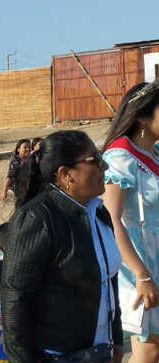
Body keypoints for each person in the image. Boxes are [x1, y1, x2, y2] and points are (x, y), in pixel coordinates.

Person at [2, 130, 123, 363]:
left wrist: (116, 340)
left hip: (99, 350)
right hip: (56, 356)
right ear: (66, 174)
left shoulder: (98, 212)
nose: (104, 166)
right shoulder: (38, 218)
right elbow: (15, 299)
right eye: (94, 160)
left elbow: (109, 280)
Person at [102, 80, 159, 362]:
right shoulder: (120, 157)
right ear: (142, 116)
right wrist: (142, 274)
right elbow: (112, 220)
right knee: (149, 349)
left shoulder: (155, 154)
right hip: (140, 264)